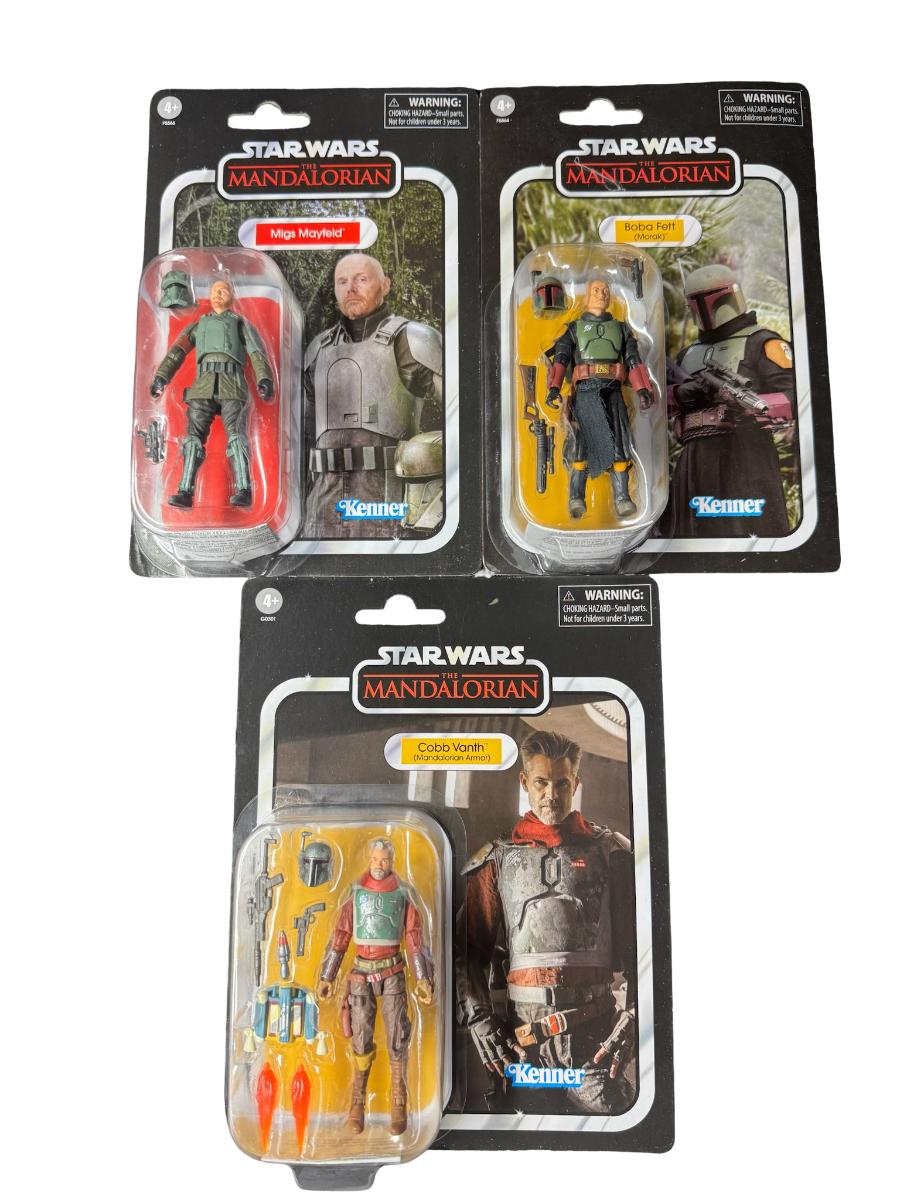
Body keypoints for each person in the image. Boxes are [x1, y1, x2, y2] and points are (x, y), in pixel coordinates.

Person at [456, 729, 636, 1114]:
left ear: (576, 784)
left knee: (609, 1134)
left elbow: (647, 950)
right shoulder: (497, 860)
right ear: (525, 782)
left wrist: (634, 1017)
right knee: (527, 1137)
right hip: (524, 1043)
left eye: (562, 784)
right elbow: (467, 952)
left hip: (595, 1039)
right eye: (541, 782)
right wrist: (480, 1021)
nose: (551, 794)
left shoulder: (611, 853)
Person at [301, 253, 443, 538]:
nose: (351, 288)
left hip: (386, 509)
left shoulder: (412, 340)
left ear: (385, 285)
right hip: (321, 512)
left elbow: (462, 421)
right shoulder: (318, 350)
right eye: (342, 282)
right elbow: (300, 435)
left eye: (361, 279)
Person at [659, 263, 795, 537]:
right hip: (694, 457)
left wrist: (748, 405)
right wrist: (681, 394)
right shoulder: (687, 355)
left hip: (746, 452)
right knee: (690, 536)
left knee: (750, 532)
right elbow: (658, 405)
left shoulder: (763, 343)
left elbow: (792, 397)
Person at [316, 838, 433, 1135]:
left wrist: (422, 978)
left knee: (398, 1035)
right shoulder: (355, 893)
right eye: (376, 859)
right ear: (369, 859)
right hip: (361, 973)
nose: (380, 865)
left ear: (391, 861)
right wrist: (327, 975)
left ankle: (398, 1099)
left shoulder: (403, 894)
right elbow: (341, 935)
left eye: (385, 860)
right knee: (360, 1036)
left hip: (393, 971)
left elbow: (414, 938)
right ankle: (357, 1099)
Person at [150, 278, 273, 508]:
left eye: (223, 290)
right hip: (203, 385)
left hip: (232, 384)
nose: (218, 294)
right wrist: (161, 377)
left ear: (232, 296)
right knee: (192, 439)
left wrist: (264, 379)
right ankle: (184, 491)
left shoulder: (239, 324)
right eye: (215, 291)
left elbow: (256, 352)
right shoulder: (200, 325)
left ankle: (244, 489)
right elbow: (177, 352)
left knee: (236, 437)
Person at [546, 275, 654, 520]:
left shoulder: (622, 329)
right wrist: (553, 388)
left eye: (605, 290)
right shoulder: (573, 329)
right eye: (596, 290)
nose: (601, 294)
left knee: (620, 444)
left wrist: (642, 389)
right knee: (581, 445)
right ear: (586, 296)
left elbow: (634, 361)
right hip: (585, 392)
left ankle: (622, 497)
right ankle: (576, 497)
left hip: (613, 391)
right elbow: (561, 359)